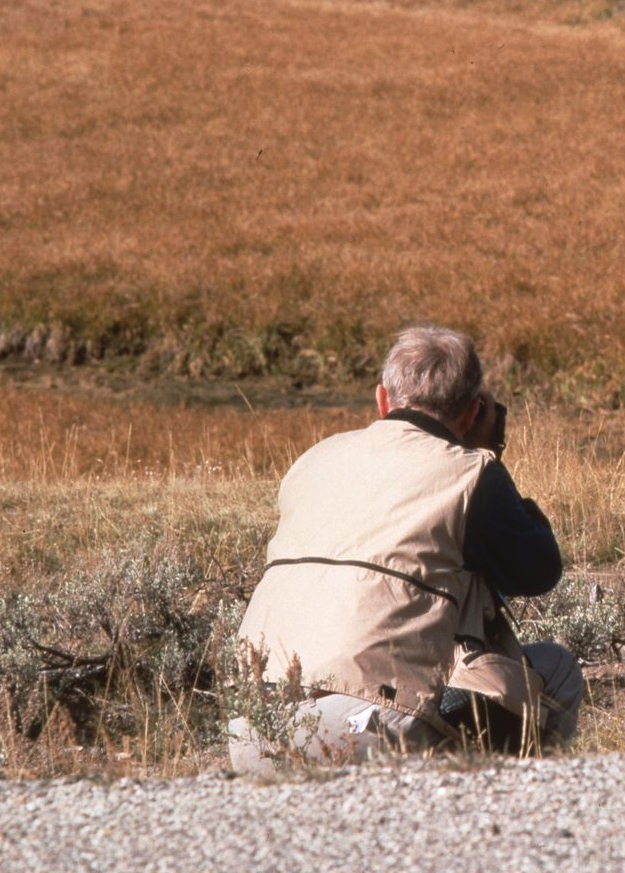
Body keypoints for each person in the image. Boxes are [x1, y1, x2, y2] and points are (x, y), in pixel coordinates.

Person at [228, 323, 582, 773]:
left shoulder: (314, 459)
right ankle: (503, 825)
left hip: (253, 728)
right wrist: (489, 455)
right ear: (474, 413)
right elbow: (537, 571)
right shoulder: (469, 474)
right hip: (361, 731)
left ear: (382, 399)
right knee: (557, 670)